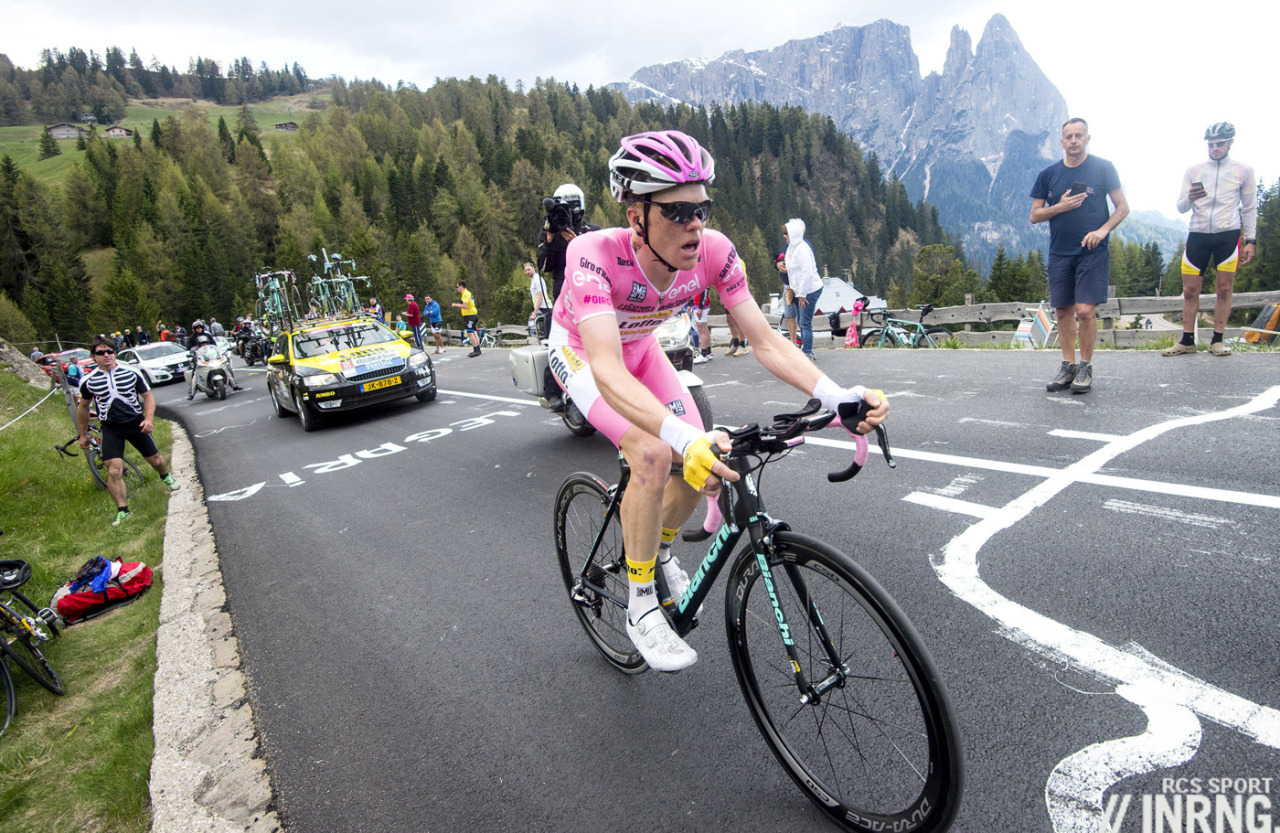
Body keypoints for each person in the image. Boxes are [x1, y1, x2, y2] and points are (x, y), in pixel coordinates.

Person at [547, 129, 888, 671]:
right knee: (655, 453)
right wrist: (681, 436)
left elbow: (767, 339)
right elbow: (608, 370)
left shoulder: (715, 253)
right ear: (637, 215)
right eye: (679, 211)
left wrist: (837, 394)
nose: (696, 224)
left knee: (698, 470)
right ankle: (640, 608)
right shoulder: (593, 254)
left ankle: (655, 549)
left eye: (701, 208)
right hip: (585, 354)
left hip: (641, 348)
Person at [1030, 117, 1129, 394]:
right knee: (1063, 311)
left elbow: (1122, 207)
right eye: (1069, 136)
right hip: (1060, 251)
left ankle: (1085, 366)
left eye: (1079, 136)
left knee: (1085, 311)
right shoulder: (1048, 174)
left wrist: (1103, 230)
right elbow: (1035, 215)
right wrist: (1059, 206)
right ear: (1061, 142)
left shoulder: (1103, 168)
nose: (1074, 140)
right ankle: (1068, 366)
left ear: (1087, 138)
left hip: (1091, 250)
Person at [1163, 122, 1257, 358]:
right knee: (1189, 290)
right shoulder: (1194, 170)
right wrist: (1191, 197)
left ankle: (1217, 340)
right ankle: (1186, 341)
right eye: (1211, 144)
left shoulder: (1243, 170)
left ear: (1230, 143)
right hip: (1198, 233)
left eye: (1219, 144)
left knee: (1224, 289)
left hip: (1228, 234)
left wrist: (1251, 240)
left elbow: (1249, 207)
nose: (1214, 148)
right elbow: (1181, 207)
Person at [77, 335, 181, 527]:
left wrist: (148, 419)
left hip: (135, 422)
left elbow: (148, 396)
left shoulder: (131, 372)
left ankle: (165, 475)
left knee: (155, 460)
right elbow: (83, 407)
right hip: (110, 427)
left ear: (115, 353)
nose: (106, 355)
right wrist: (83, 435)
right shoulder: (88, 381)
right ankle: (123, 511)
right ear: (94, 357)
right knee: (113, 468)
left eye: (110, 351)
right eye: (101, 353)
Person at [537, 183, 600, 303]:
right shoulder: (550, 232)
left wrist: (577, 245)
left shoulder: (592, 231)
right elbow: (543, 267)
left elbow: (603, 264)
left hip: (590, 289)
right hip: (562, 292)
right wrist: (549, 240)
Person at [783, 219, 824, 361]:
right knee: (801, 322)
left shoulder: (802, 249)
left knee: (805, 322)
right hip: (798, 290)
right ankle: (806, 350)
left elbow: (807, 273)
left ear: (793, 233)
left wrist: (801, 294)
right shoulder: (791, 248)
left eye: (786, 233)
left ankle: (807, 352)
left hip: (809, 290)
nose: (784, 236)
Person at [186, 320, 241, 396]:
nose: (199, 329)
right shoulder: (192, 337)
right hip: (200, 358)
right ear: (194, 329)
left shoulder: (207, 335)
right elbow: (189, 347)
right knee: (195, 373)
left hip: (211, 357)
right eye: (197, 328)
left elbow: (214, 345)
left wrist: (218, 352)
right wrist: (193, 352)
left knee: (226, 368)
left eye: (200, 328)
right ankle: (191, 393)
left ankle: (234, 385)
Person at [775, 252, 798, 345]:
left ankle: (806, 346)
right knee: (790, 316)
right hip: (787, 286)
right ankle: (793, 342)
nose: (784, 236)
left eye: (786, 235)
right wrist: (778, 265)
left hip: (798, 285)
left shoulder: (801, 246)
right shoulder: (786, 247)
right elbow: (775, 262)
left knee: (802, 317)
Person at [453, 281, 481, 357]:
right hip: (473, 314)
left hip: (470, 315)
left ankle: (475, 350)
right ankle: (478, 349)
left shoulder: (465, 294)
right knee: (474, 332)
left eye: (457, 287)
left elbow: (465, 305)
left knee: (470, 333)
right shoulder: (468, 293)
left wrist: (456, 305)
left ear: (461, 287)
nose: (457, 289)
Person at [692, 288, 712, 363]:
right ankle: (708, 352)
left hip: (701, 306)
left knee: (701, 329)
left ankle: (704, 354)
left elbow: (705, 292)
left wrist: (700, 307)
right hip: (697, 305)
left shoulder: (700, 279)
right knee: (704, 328)